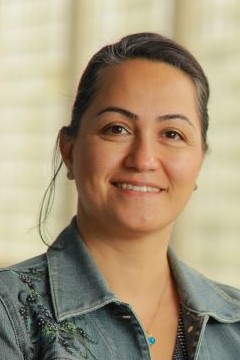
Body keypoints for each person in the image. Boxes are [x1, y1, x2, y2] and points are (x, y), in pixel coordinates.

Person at [0, 32, 239, 360]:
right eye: (117, 129)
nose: (143, 160)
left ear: (199, 162)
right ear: (69, 151)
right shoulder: (9, 313)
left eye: (172, 134)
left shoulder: (234, 324)